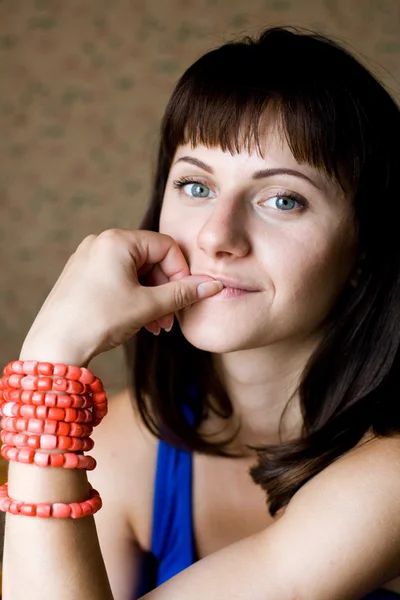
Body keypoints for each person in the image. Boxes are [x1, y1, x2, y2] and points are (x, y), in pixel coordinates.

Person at [2, 25, 400, 600]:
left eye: (282, 199)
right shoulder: (122, 439)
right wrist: (51, 360)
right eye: (195, 185)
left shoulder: (389, 474)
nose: (217, 235)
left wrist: (49, 367)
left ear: (363, 251)